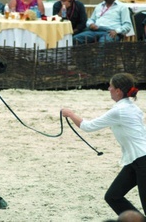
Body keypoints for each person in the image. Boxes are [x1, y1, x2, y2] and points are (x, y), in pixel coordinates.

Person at [62, 73, 146, 216]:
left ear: (118, 90)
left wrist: (70, 114)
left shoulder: (119, 111)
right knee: (113, 196)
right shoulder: (131, 107)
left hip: (142, 160)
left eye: (111, 86)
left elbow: (88, 126)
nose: (108, 89)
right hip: (135, 161)